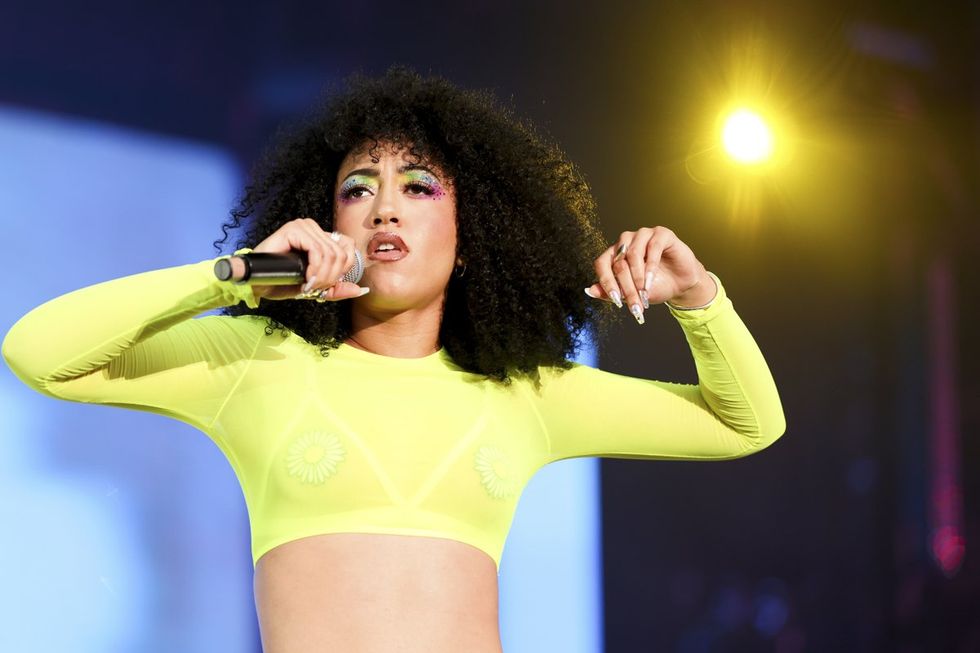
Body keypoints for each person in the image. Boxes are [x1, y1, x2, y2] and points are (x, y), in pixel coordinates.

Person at [1, 66, 785, 653]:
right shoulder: (253, 363)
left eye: (418, 187)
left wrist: (699, 297)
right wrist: (232, 278)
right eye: (357, 189)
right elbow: (38, 352)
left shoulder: (525, 393)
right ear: (325, 221)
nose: (384, 208)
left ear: (472, 239)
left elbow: (746, 424)